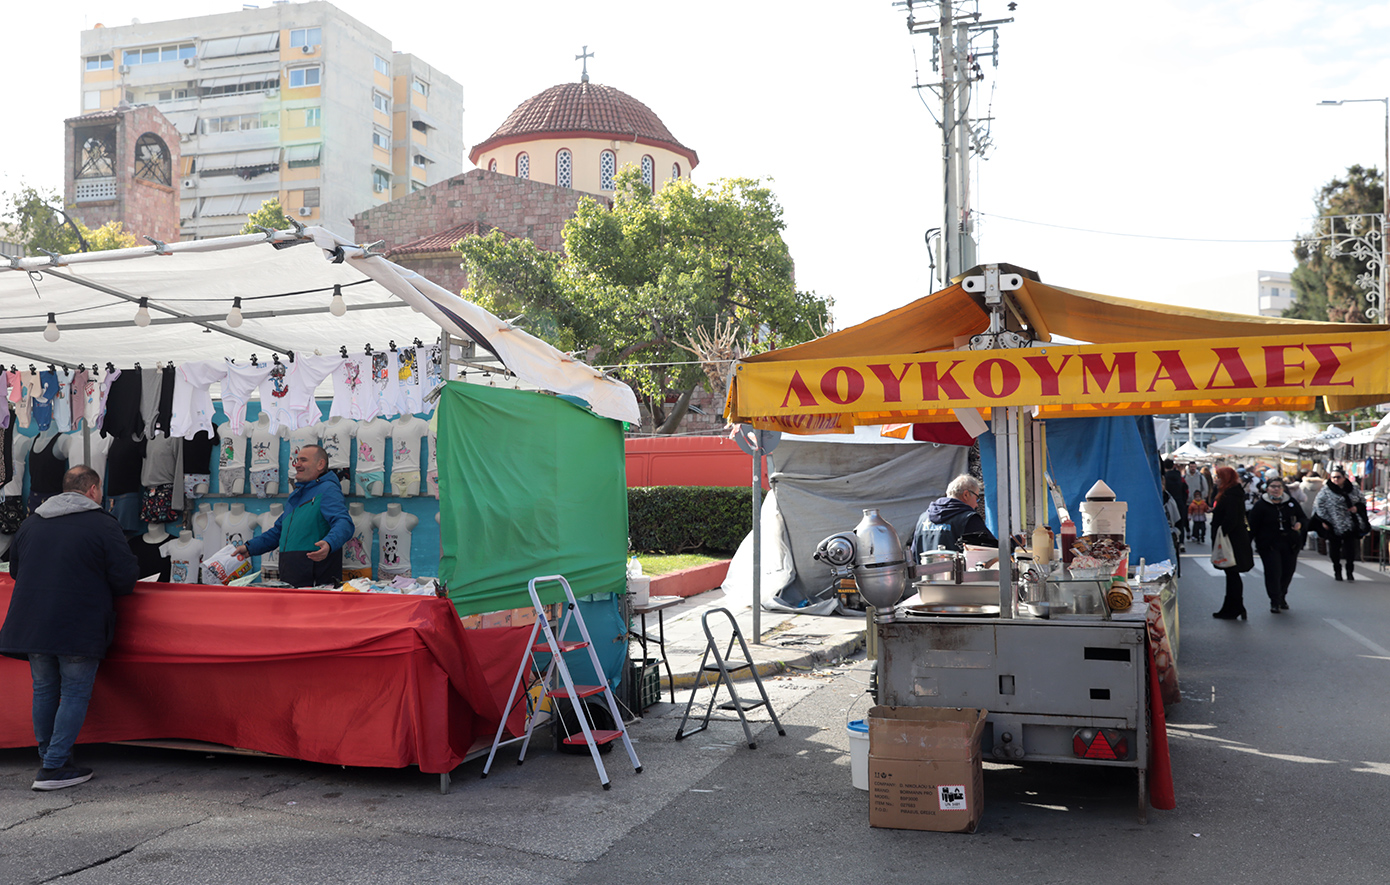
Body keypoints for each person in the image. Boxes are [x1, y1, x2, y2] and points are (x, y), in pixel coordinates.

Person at [0, 465, 139, 791]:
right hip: (78, 623)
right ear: (92, 490)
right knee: (74, 692)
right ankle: (54, 766)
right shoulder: (104, 524)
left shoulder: (31, 523)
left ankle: (50, 758)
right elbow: (124, 579)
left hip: (33, 623)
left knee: (44, 690)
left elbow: (17, 571)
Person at [235, 445, 353, 587]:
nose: (297, 465)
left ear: (320, 464)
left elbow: (344, 523)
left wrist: (329, 543)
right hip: (291, 578)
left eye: (303, 460)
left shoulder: (328, 490)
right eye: (297, 460)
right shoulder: (296, 495)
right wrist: (250, 547)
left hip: (315, 583)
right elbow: (278, 531)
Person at [1248, 477, 1306, 613]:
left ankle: (1282, 596)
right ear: (1267, 489)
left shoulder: (1290, 502)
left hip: (1289, 544)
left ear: (1283, 488)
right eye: (1273, 486)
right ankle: (1274, 600)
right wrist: (1247, 543)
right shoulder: (1261, 505)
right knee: (1274, 572)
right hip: (1269, 544)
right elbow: (1252, 526)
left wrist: (1300, 524)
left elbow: (1303, 517)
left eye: (1279, 486)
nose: (1276, 489)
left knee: (1288, 572)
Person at [909, 474, 997, 561]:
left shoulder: (923, 518)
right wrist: (1009, 544)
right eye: (976, 498)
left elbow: (913, 556)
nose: (977, 504)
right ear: (966, 495)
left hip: (926, 574)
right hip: (956, 575)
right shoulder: (968, 518)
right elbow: (991, 551)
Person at [1210, 464, 1254, 620]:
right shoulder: (1230, 492)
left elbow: (1231, 518)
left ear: (1225, 479)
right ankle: (1234, 607)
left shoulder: (1231, 494)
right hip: (1234, 539)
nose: (1216, 479)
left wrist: (1222, 533)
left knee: (1232, 574)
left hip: (1232, 540)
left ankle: (1234, 608)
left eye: (1218, 477)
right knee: (1232, 575)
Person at [1314, 468, 1368, 581]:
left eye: (1338, 477)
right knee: (1334, 549)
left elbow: (1362, 501)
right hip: (1333, 523)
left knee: (1350, 549)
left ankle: (1349, 571)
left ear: (1344, 478)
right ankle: (1337, 570)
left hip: (1350, 523)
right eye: (1333, 477)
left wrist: (1356, 508)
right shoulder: (1326, 490)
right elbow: (1318, 506)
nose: (1335, 479)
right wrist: (1324, 521)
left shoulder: (1353, 489)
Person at [1162, 459, 1189, 547]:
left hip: (1168, 502)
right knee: (1180, 523)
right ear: (1173, 466)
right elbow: (1186, 490)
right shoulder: (1180, 478)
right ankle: (1181, 542)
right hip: (1179, 501)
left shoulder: (1163, 478)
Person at [1183, 464, 1209, 538]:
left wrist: (1202, 497)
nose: (1193, 468)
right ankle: (1188, 530)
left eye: (1194, 467)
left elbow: (1205, 488)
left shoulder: (1200, 477)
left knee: (1198, 518)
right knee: (1186, 517)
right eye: (1191, 467)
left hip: (1198, 501)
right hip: (1188, 501)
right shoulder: (1185, 477)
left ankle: (1196, 533)